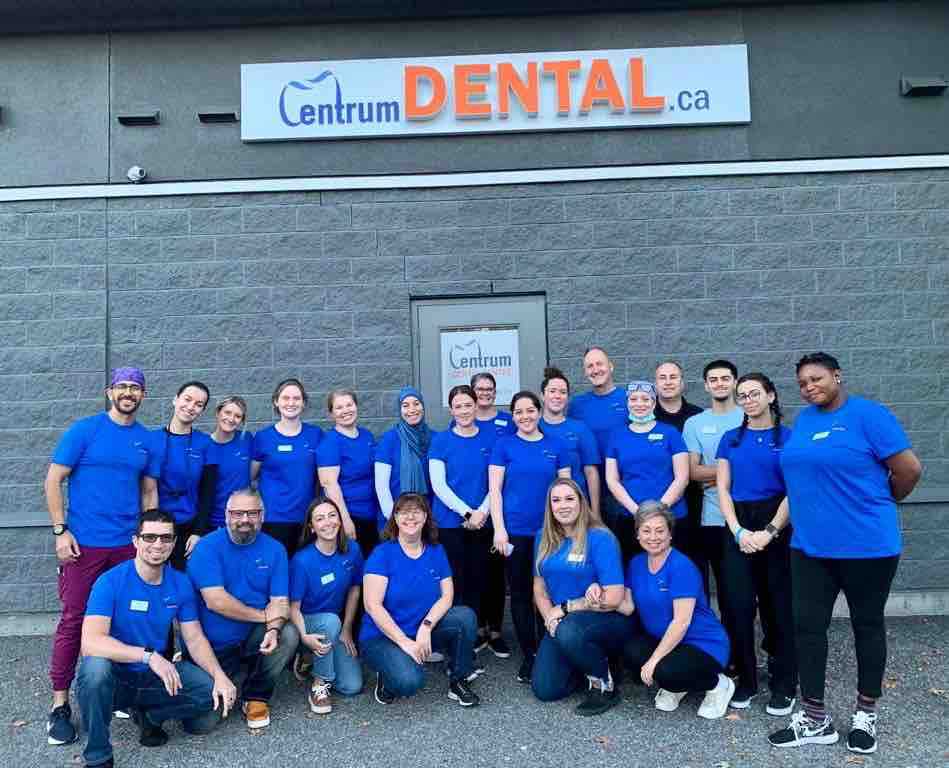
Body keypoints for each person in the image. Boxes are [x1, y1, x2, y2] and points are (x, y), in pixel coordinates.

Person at [768, 353, 922, 754]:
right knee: (808, 628)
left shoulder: (869, 416)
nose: (809, 387)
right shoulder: (804, 422)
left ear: (837, 375)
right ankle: (815, 719)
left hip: (867, 548)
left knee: (866, 626)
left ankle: (866, 712)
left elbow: (909, 471)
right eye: (802, 383)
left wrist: (879, 504)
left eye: (816, 378)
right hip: (810, 548)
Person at [44, 366, 161, 747]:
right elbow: (53, 479)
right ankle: (60, 704)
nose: (129, 393)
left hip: (127, 547)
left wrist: (150, 540)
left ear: (143, 395)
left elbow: (148, 495)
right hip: (84, 546)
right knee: (75, 619)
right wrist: (61, 531)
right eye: (123, 386)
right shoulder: (85, 430)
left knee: (127, 620)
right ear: (110, 391)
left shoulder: (147, 441)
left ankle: (121, 695)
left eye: (136, 388)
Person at [76, 509, 236, 768]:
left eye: (165, 538)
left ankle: (150, 715)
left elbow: (194, 638)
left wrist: (219, 676)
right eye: (149, 537)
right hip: (116, 677)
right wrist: (148, 656)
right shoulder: (110, 582)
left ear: (174, 543)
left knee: (210, 693)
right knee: (94, 669)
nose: (157, 544)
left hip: (154, 677)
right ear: (136, 541)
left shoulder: (180, 583)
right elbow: (91, 642)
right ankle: (98, 753)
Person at [186, 488, 300, 730]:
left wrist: (272, 628)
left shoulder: (275, 549)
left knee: (287, 634)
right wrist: (263, 616)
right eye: (238, 513)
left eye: (252, 513)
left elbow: (280, 601)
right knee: (200, 725)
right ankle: (231, 676)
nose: (245, 520)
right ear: (226, 515)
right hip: (213, 646)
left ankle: (256, 696)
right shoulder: (207, 548)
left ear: (262, 515)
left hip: (252, 638)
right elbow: (215, 601)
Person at [716, 373, 797, 714]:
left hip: (777, 524)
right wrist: (738, 532)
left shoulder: (790, 438)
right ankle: (746, 680)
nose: (748, 400)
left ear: (771, 395)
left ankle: (784, 682)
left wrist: (770, 531)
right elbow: (722, 489)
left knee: (778, 607)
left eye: (754, 394)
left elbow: (795, 490)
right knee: (738, 607)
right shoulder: (730, 439)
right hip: (738, 526)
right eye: (742, 396)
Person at [360, 493, 481, 707]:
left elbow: (447, 596)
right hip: (383, 636)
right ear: (395, 517)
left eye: (417, 511)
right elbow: (372, 606)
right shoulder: (382, 553)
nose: (411, 517)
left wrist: (426, 626)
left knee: (464, 617)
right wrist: (404, 641)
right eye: (404, 512)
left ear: (426, 517)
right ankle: (387, 675)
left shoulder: (436, 550)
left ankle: (458, 680)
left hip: (420, 630)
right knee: (409, 682)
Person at [621, 501, 735, 720]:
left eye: (660, 531)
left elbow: (681, 622)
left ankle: (719, 684)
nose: (653, 537)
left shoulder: (681, 566)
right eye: (646, 531)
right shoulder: (636, 563)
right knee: (630, 651)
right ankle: (678, 683)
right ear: (637, 534)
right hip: (668, 641)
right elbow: (627, 607)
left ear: (670, 534)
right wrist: (595, 593)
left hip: (703, 644)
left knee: (665, 671)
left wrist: (654, 661)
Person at [531, 479, 631, 716]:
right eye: (556, 500)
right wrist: (550, 620)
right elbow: (539, 587)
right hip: (563, 623)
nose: (563, 505)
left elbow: (615, 596)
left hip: (604, 616)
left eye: (569, 499)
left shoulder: (600, 538)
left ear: (581, 502)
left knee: (569, 631)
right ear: (550, 506)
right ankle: (582, 661)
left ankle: (603, 682)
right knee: (546, 690)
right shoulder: (542, 538)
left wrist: (565, 608)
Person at [489, 390, 571, 683]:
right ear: (513, 416)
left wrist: (569, 527)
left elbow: (566, 491)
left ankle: (552, 648)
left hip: (551, 533)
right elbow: (495, 492)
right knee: (522, 594)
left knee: (549, 590)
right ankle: (530, 654)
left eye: (530, 410)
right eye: (519, 412)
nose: (525, 416)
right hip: (516, 533)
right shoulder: (504, 446)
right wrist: (499, 529)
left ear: (539, 412)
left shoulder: (556, 445)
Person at [288, 498, 364, 714]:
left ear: (340, 520)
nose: (327, 522)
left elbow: (355, 589)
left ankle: (311, 659)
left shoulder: (352, 550)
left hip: (334, 626)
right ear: (312, 527)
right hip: (304, 622)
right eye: (319, 519)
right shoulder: (302, 561)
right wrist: (304, 636)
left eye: (332, 515)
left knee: (352, 686)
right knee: (330, 620)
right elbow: (293, 607)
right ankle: (319, 683)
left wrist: (347, 629)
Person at [604, 381, 689, 566]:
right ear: (627, 403)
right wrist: (637, 512)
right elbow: (612, 480)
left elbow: (682, 477)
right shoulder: (616, 435)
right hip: (630, 517)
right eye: (634, 399)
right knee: (632, 571)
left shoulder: (670, 433)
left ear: (653, 402)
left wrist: (659, 512)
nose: (639, 403)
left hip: (670, 517)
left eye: (645, 399)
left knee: (672, 569)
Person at [428, 385, 492, 620]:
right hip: (449, 524)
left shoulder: (491, 438)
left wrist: (482, 513)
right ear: (451, 411)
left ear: (476, 405)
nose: (464, 410)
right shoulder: (441, 441)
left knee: (479, 578)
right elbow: (439, 485)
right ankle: (455, 633)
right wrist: (468, 513)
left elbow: (496, 483)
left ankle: (475, 632)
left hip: (483, 522)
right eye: (458, 406)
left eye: (468, 405)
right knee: (453, 580)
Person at [681, 360, 743, 601]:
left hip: (751, 514)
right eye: (713, 380)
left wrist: (715, 474)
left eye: (725, 378)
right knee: (726, 591)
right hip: (714, 519)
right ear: (706, 386)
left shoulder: (748, 415)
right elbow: (693, 472)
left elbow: (759, 466)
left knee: (755, 589)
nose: (720, 384)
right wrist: (732, 471)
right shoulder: (695, 423)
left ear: (735, 382)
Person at [467, 372, 515, 660]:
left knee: (496, 573)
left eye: (489, 388)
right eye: (479, 389)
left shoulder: (507, 423)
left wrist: (486, 510)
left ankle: (496, 631)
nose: (484, 393)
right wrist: (473, 511)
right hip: (468, 515)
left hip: (497, 511)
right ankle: (478, 628)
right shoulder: (463, 420)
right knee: (474, 572)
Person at [251, 378, 323, 555]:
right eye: (285, 398)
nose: (291, 403)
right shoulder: (263, 438)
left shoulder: (316, 435)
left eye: (296, 398)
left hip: (307, 518)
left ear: (303, 402)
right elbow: (251, 476)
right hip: (273, 519)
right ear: (276, 401)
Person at [152, 381, 215, 571]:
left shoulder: (205, 443)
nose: (191, 407)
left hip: (190, 527)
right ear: (175, 400)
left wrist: (199, 532)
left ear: (202, 410)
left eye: (198, 404)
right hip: (158, 527)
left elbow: (208, 491)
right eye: (187, 399)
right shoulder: (151, 439)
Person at [654, 360, 704, 566]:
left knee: (693, 561)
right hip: (656, 501)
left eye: (673, 377)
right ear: (655, 384)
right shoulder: (645, 417)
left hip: (694, 502)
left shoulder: (698, 416)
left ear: (682, 383)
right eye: (662, 378)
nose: (668, 382)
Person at [539, 367, 601, 520]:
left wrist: (596, 512)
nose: (557, 396)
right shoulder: (532, 428)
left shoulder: (580, 429)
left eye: (563, 392)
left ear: (567, 397)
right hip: (541, 508)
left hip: (576, 509)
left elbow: (591, 473)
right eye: (552, 391)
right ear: (542, 395)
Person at [317, 388, 375, 553]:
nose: (345, 411)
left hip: (372, 514)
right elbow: (329, 485)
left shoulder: (367, 436)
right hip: (351, 516)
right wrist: (345, 520)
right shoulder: (330, 443)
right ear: (331, 414)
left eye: (349, 405)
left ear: (356, 407)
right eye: (339, 407)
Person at [374, 387, 433, 528]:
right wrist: (394, 521)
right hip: (395, 516)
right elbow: (381, 486)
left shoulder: (434, 438)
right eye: (405, 405)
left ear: (423, 406)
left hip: (426, 516)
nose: (412, 409)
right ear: (399, 410)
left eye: (416, 403)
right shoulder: (389, 439)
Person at [206, 395, 253, 531]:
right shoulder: (204, 444)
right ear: (217, 412)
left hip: (243, 518)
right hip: (214, 519)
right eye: (227, 413)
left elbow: (253, 473)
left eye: (238, 416)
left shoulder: (247, 440)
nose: (231, 419)